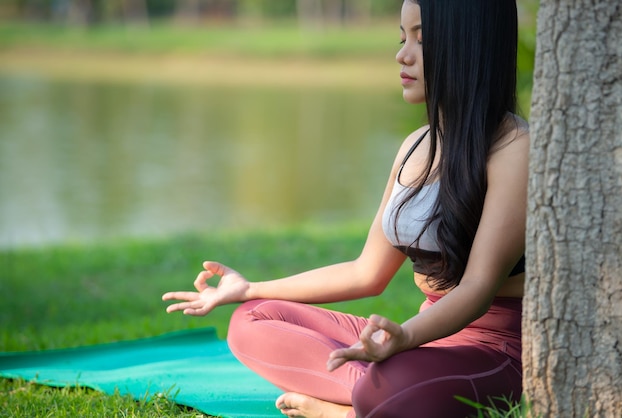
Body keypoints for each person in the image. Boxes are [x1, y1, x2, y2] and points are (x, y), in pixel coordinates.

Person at [162, 0, 529, 416]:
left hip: (493, 349)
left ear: (469, 46)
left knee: (396, 386)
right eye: (401, 37)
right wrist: (249, 289)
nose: (401, 54)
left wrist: (405, 339)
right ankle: (374, 396)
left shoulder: (514, 149)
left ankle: (354, 405)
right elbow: (366, 273)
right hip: (422, 339)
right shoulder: (415, 148)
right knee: (251, 321)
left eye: (421, 40)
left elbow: (478, 290)